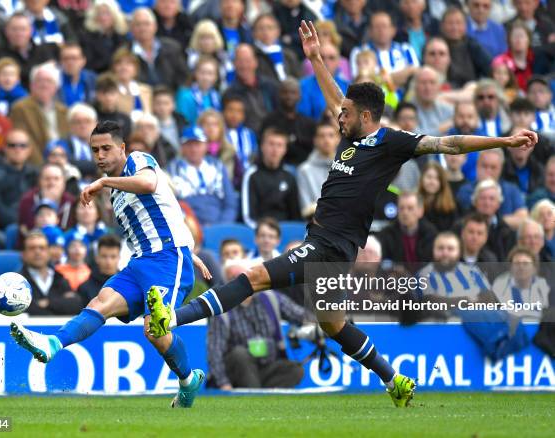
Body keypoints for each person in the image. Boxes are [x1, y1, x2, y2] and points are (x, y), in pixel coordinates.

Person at [146, 20, 539, 408]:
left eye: (347, 113)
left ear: (366, 115)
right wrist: (316, 59)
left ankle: (173, 319)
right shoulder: (353, 133)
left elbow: (449, 144)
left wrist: (502, 141)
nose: (339, 116)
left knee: (253, 276)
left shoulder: (392, 143)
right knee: (333, 325)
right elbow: (336, 97)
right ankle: (394, 379)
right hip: (335, 247)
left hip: (328, 246)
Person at [10, 120, 212, 408]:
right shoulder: (116, 194)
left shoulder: (139, 162)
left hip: (167, 259)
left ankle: (188, 379)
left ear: (122, 148)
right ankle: (52, 344)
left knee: (154, 330)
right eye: (95, 150)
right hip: (140, 263)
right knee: (99, 303)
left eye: (106, 148)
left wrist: (103, 182)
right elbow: (161, 216)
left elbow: (150, 184)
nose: (100, 155)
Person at [207, 260, 305, 389]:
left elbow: (301, 316)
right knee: (240, 354)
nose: (239, 282)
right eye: (233, 278)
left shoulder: (271, 298)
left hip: (266, 366)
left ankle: (264, 397)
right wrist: (223, 384)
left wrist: (326, 320)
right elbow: (214, 352)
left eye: (243, 276)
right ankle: (253, 395)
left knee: (295, 370)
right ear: (226, 283)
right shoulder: (221, 310)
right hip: (236, 372)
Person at [167, 125, 238, 227]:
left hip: (219, 225)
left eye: (197, 144)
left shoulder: (217, 166)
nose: (194, 149)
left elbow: (230, 203)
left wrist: (223, 226)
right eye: (189, 144)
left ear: (206, 145)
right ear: (182, 147)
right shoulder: (172, 169)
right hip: (188, 227)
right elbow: (171, 204)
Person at [9, 62, 70, 164]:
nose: (44, 84)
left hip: (64, 162)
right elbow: (26, 143)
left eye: (49, 81)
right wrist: (44, 167)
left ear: (56, 86)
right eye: (39, 80)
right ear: (31, 85)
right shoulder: (20, 108)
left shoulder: (63, 110)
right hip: (39, 165)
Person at [241, 127, 301, 228]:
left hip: (286, 232)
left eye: (279, 145)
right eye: (271, 144)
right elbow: (248, 217)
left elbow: (296, 215)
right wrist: (266, 231)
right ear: (262, 146)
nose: (275, 149)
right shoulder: (251, 175)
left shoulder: (290, 175)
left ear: (285, 149)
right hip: (261, 233)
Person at [0, 129, 39, 231]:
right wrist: (21, 222)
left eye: (23, 145)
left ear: (30, 150)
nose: (18, 149)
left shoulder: (35, 173)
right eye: (12, 145)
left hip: (33, 225)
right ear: (4, 148)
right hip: (2, 229)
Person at [19, 230, 83, 316]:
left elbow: (76, 304)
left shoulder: (59, 277)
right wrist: (60, 303)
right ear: (23, 254)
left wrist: (48, 303)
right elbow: (24, 309)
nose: (37, 252)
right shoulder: (17, 282)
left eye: (42, 248)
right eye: (32, 248)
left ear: (48, 252)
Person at [260, 77, 316, 165]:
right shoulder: (269, 121)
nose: (289, 96)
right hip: (279, 168)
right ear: (279, 95)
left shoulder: (309, 123)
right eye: (285, 92)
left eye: (293, 93)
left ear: (299, 96)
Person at [377, 191, 438, 271]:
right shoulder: (386, 234)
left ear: (420, 211)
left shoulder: (431, 234)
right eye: (401, 208)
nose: (405, 213)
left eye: (410, 208)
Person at [492, 245, 550, 319]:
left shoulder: (543, 285)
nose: (521, 267)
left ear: (534, 268)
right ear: (510, 267)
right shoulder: (500, 284)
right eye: (517, 263)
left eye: (526, 263)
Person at [297, 121, 339, 219]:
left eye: (331, 135)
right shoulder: (304, 170)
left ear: (338, 139)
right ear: (315, 140)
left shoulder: (348, 167)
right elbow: (306, 209)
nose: (326, 140)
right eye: (322, 136)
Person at [79, 0, 128, 74]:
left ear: (115, 15)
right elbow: (89, 64)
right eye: (100, 14)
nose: (103, 18)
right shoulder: (87, 38)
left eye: (107, 13)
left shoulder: (122, 36)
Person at [78, 234, 121, 306]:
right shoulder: (84, 288)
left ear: (119, 258)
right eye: (104, 256)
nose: (108, 262)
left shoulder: (128, 286)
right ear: (97, 258)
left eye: (113, 257)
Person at [417, 162, 459, 231]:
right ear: (422, 179)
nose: (432, 182)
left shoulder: (450, 206)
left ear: (442, 182)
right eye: (429, 177)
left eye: (437, 178)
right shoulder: (413, 202)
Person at [56, 43, 97, 107]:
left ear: (83, 61)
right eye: (65, 58)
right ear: (60, 61)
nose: (70, 62)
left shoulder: (93, 79)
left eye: (74, 58)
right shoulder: (54, 80)